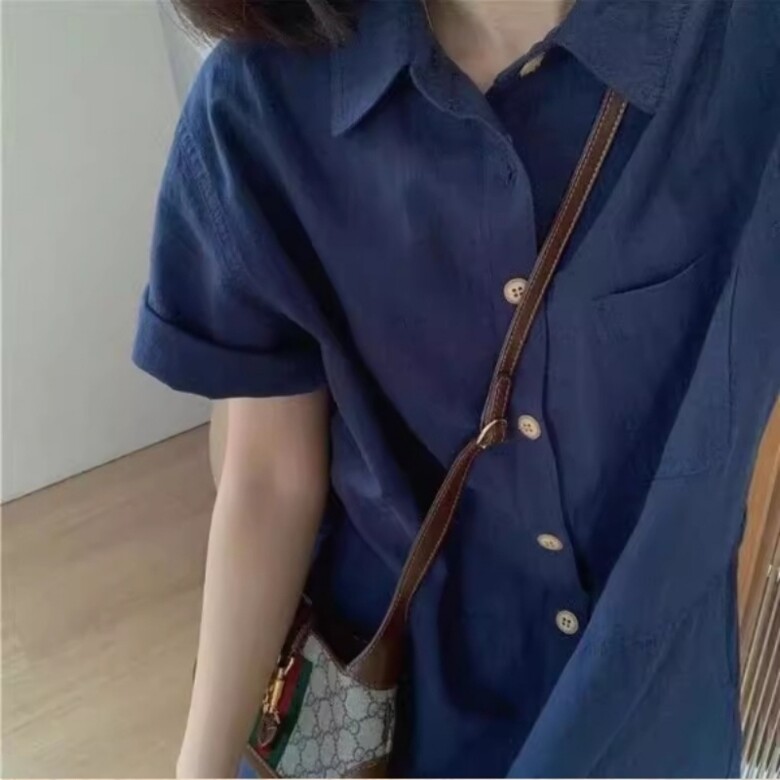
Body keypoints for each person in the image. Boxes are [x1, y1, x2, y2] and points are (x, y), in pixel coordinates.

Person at [133, 0, 780, 777]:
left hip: (651, 716)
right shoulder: (261, 103)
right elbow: (267, 476)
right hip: (393, 712)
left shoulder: (745, 44)